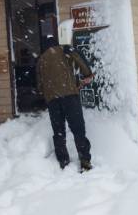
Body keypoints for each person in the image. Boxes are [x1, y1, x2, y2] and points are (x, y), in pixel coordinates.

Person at [36, 34, 94, 172]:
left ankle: (63, 161)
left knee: (59, 132)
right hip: (70, 97)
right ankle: (85, 160)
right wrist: (87, 74)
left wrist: (49, 92)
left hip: (52, 100)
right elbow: (79, 60)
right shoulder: (65, 50)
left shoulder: (40, 60)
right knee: (78, 129)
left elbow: (39, 86)